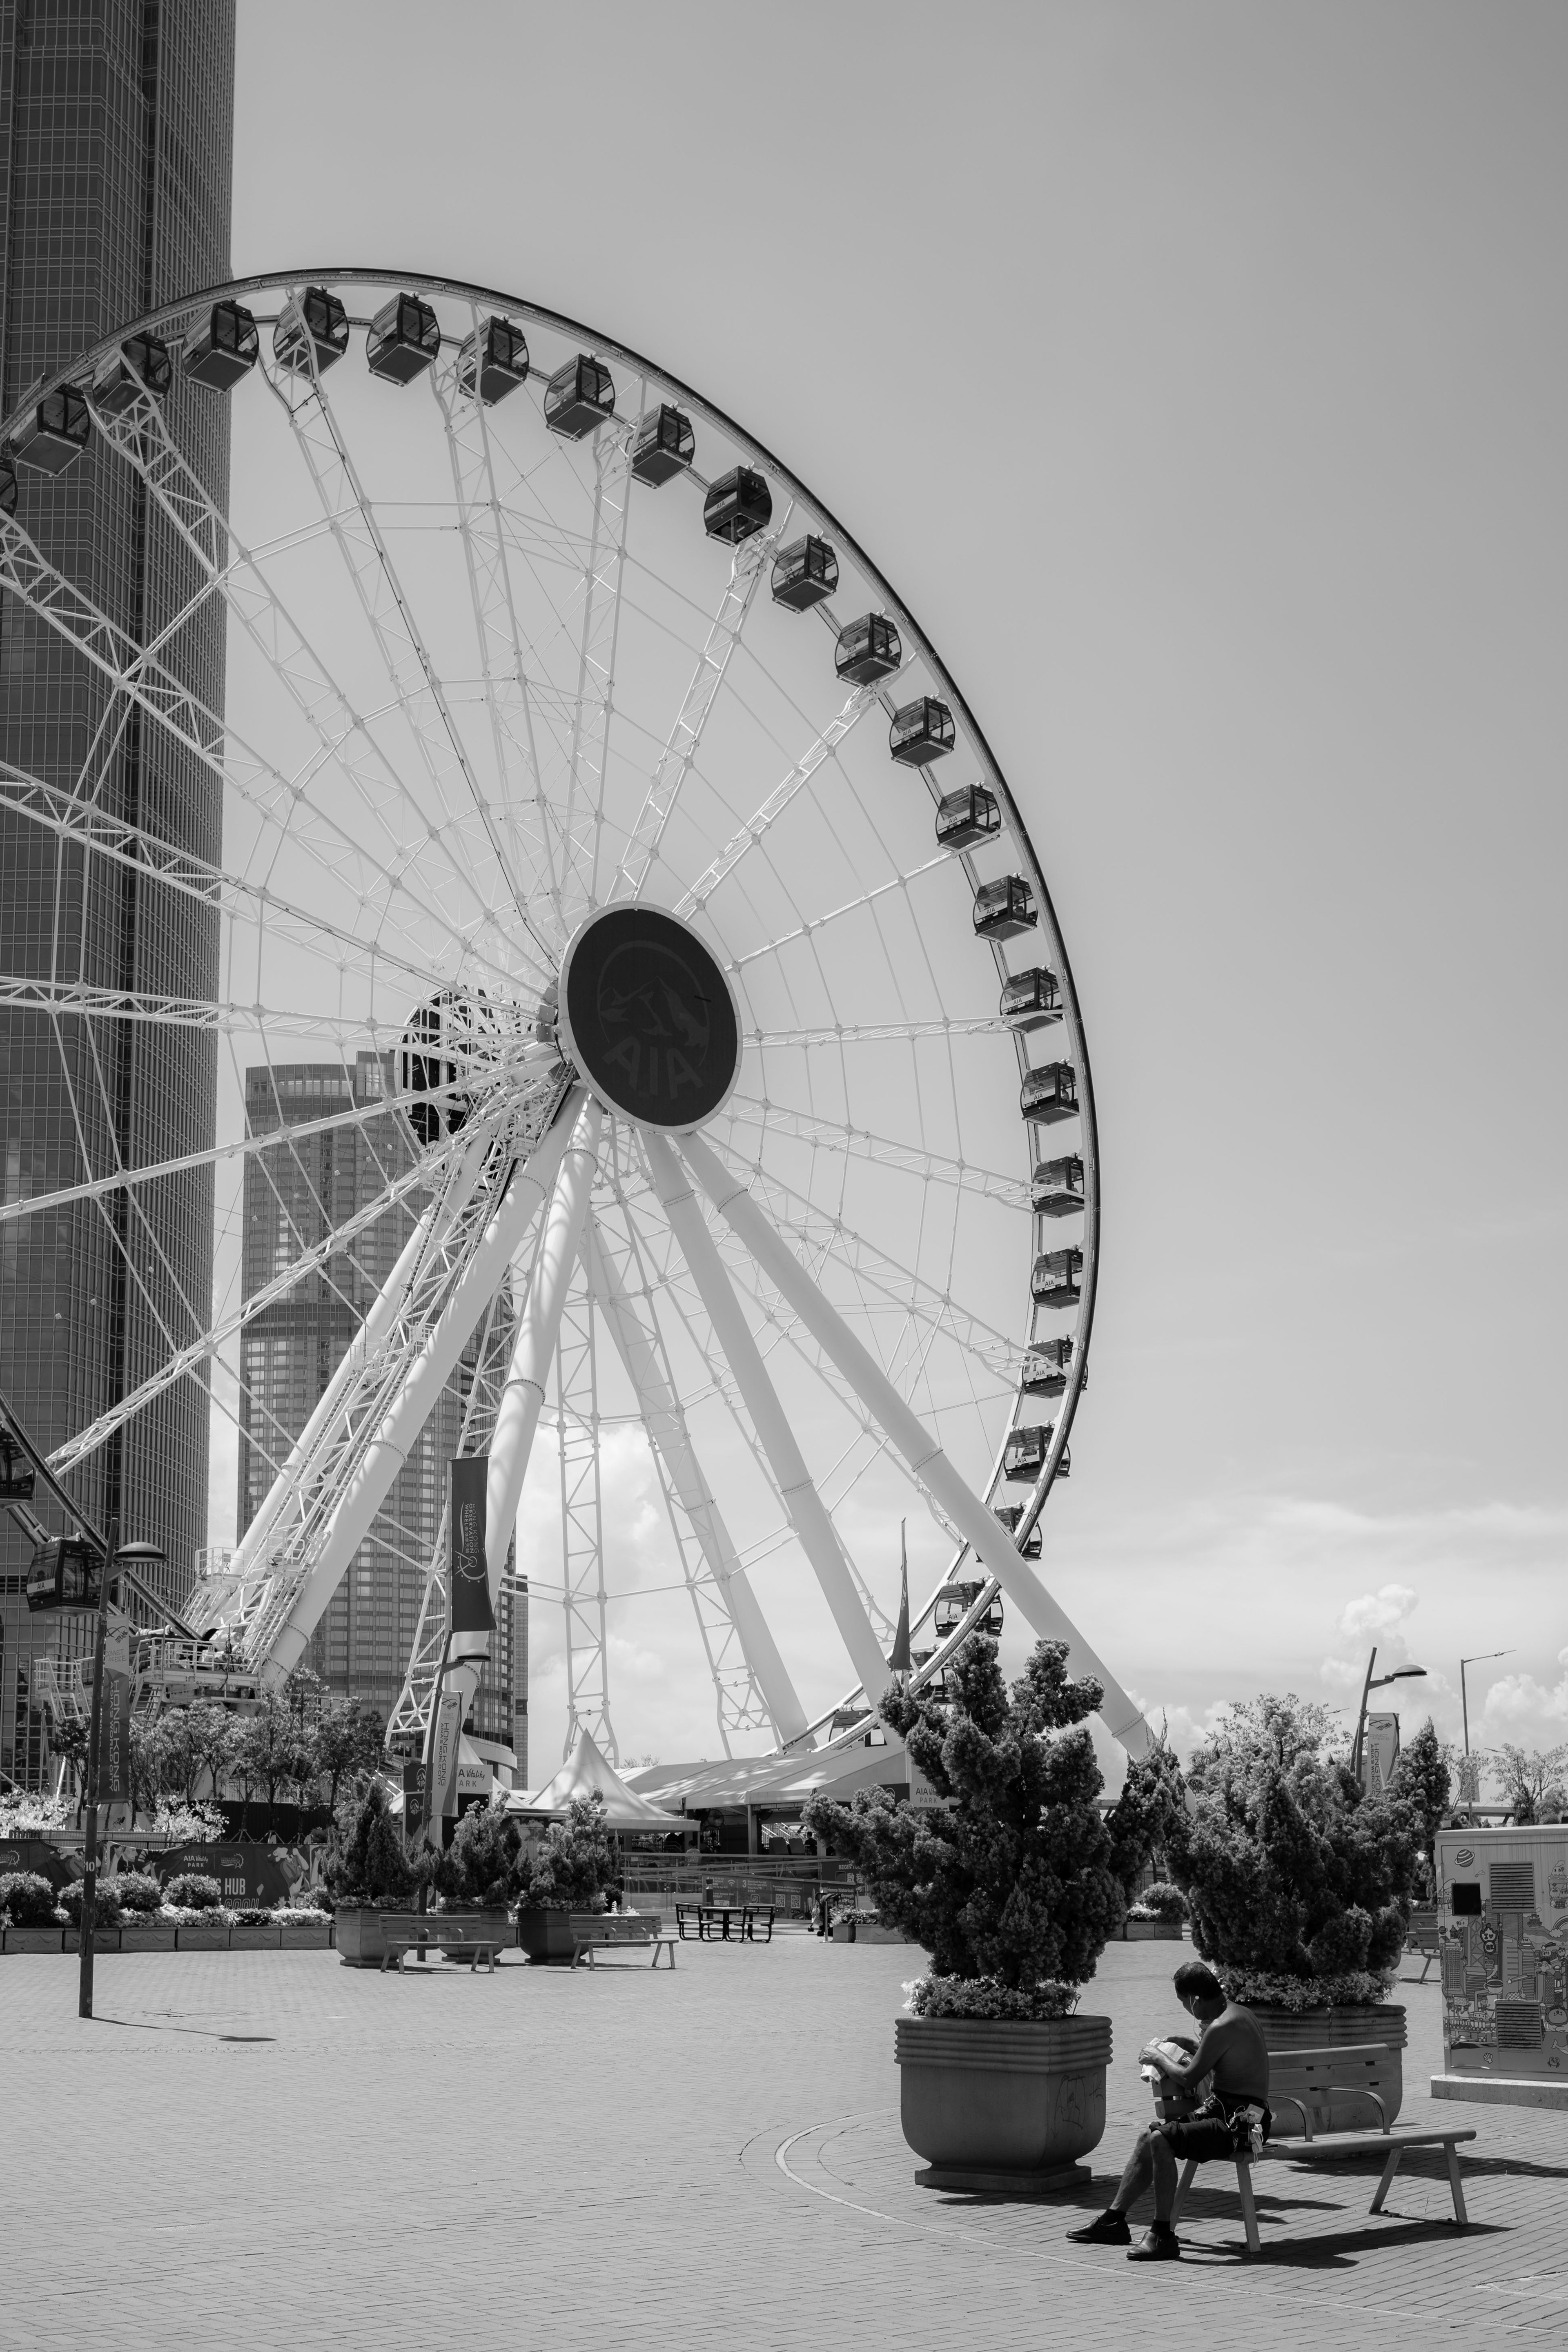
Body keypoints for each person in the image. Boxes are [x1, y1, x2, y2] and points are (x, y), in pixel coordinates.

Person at [1066, 1958, 1272, 2261]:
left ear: (1195, 2000)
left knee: (1161, 2140)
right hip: (1235, 2116)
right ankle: (1114, 2220)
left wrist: (1158, 2057)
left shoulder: (1221, 2025)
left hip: (1240, 2126)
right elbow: (1222, 2060)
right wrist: (1190, 2044)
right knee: (1146, 2137)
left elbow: (1190, 2078)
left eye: (1185, 2005)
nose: (1188, 2012)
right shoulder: (1239, 2014)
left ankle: (1163, 2235)